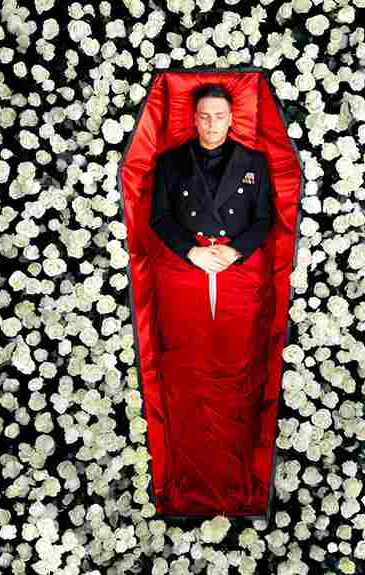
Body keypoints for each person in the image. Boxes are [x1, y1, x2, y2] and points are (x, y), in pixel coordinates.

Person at [148, 82, 275, 516]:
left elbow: (264, 218)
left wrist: (236, 251)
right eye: (204, 116)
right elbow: (160, 217)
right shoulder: (170, 161)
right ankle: (189, 480)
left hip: (236, 272)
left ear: (231, 118)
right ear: (193, 118)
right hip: (187, 271)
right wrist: (191, 251)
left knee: (236, 366)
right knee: (189, 366)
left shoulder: (254, 162)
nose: (212, 124)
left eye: (219, 116)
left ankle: (237, 480)